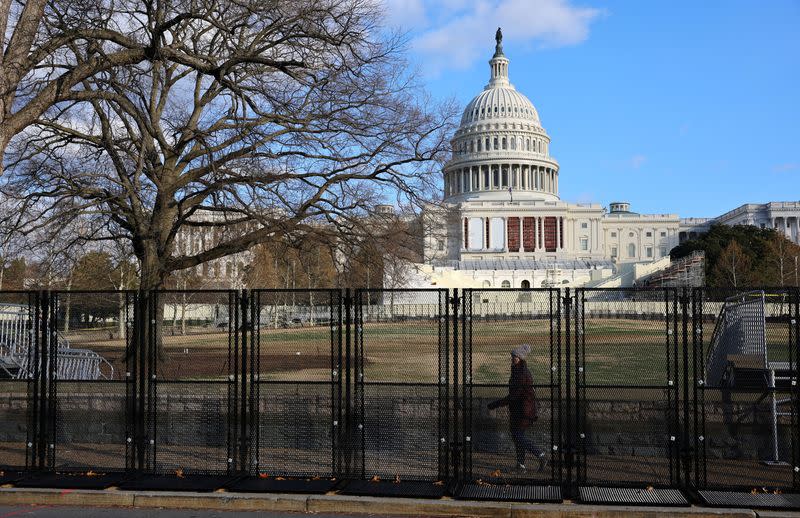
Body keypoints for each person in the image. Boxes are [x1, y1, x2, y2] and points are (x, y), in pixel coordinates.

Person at [487, 343, 547, 472]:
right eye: (512, 356)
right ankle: (521, 466)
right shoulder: (518, 371)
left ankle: (540, 455)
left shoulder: (521, 373)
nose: (512, 358)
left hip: (523, 410)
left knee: (518, 436)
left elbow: (514, 396)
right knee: (518, 437)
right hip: (520, 410)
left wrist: (495, 404)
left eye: (514, 356)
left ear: (520, 358)